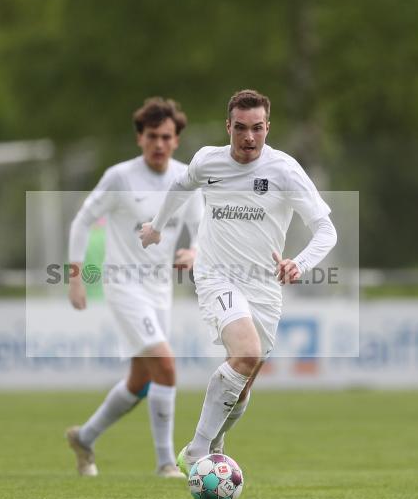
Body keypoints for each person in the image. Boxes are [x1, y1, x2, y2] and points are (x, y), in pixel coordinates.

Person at [139, 89, 337, 472]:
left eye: (258, 128)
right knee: (245, 353)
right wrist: (157, 227)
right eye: (241, 128)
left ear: (268, 127)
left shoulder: (285, 170)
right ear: (228, 126)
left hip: (264, 287)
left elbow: (325, 229)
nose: (249, 138)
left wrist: (300, 262)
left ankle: (214, 444)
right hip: (216, 276)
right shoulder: (207, 162)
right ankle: (197, 450)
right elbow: (180, 188)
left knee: (244, 381)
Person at [65, 97, 203, 478]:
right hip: (123, 285)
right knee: (167, 366)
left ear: (176, 140)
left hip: (160, 290)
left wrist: (194, 250)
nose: (159, 143)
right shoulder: (120, 177)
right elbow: (82, 221)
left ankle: (85, 438)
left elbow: (203, 225)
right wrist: (75, 276)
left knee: (142, 381)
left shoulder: (185, 178)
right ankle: (165, 464)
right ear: (140, 138)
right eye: (152, 136)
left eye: (167, 137)